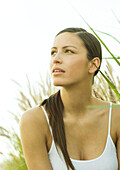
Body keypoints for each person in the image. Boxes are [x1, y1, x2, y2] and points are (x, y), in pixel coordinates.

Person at [20, 28, 120, 170]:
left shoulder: (116, 117)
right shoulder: (35, 120)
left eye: (68, 51)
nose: (56, 59)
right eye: (53, 52)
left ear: (93, 65)